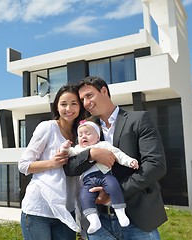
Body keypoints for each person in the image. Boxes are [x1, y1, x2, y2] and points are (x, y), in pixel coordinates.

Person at [64, 76, 167, 240]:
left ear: (104, 91)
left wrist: (113, 194)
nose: (85, 103)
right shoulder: (86, 128)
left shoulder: (138, 120)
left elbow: (155, 165)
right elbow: (70, 167)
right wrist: (91, 154)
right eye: (82, 99)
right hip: (99, 222)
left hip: (138, 219)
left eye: (89, 95)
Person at [18, 84, 87, 240]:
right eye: (63, 104)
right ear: (57, 106)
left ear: (80, 106)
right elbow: (23, 165)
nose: (68, 108)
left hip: (66, 211)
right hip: (38, 209)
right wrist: (52, 163)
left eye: (74, 103)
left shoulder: (82, 134)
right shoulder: (48, 127)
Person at [60, 118, 139, 234]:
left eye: (88, 133)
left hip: (105, 175)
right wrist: (64, 147)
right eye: (80, 134)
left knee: (114, 187)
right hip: (88, 181)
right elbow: (69, 153)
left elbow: (118, 154)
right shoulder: (78, 149)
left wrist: (130, 161)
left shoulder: (103, 145)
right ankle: (94, 221)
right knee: (84, 197)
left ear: (97, 137)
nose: (84, 136)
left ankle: (120, 212)